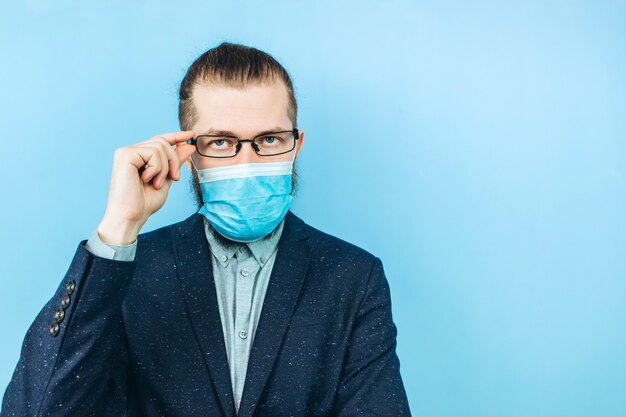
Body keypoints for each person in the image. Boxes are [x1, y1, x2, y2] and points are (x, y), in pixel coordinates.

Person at [1, 42, 411, 416]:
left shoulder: (354, 277)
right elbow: (35, 407)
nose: (247, 161)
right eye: (220, 142)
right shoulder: (131, 271)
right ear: (188, 153)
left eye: (268, 139)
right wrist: (117, 228)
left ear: (296, 145)